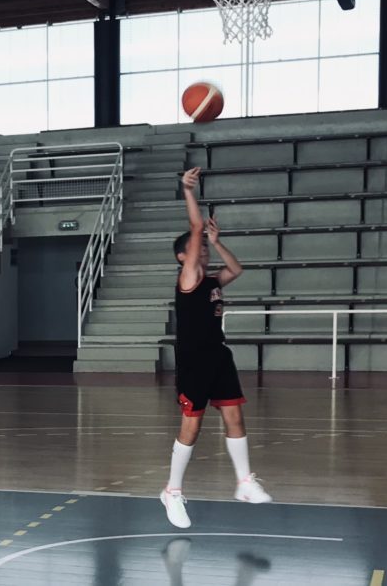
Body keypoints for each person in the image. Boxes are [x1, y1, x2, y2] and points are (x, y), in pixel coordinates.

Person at [161, 167, 272, 529]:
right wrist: (187, 191)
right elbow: (194, 231)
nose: (204, 251)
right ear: (184, 257)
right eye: (199, 249)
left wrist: (218, 240)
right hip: (194, 361)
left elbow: (236, 269)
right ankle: (172, 491)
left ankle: (243, 482)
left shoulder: (211, 279)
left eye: (206, 248)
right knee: (191, 428)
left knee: (235, 418)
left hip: (218, 356)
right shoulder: (188, 277)